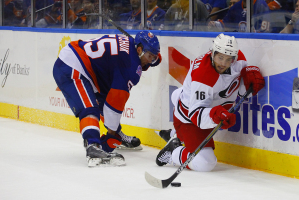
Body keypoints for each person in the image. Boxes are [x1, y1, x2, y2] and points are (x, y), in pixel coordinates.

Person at [155, 33, 265, 172]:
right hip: (188, 118)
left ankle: (176, 135)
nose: (223, 63)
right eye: (220, 57)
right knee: (205, 163)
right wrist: (216, 114)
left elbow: (237, 85)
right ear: (213, 53)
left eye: (228, 59)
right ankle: (174, 151)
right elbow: (196, 116)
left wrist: (249, 81)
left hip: (205, 108)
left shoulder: (238, 60)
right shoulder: (203, 77)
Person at [53, 31, 162, 167]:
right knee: (90, 109)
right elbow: (115, 102)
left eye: (154, 57)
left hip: (87, 67)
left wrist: (113, 132)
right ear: (139, 50)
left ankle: (117, 134)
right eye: (149, 56)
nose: (150, 61)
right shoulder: (130, 66)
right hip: (72, 64)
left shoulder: (130, 46)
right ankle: (93, 146)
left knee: (104, 98)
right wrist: (110, 135)